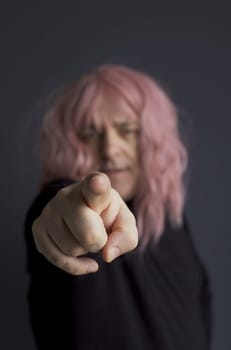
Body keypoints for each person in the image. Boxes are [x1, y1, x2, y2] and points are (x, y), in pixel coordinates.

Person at [25, 64, 212, 350]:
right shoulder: (65, 207)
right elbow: (60, 206)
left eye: (127, 131)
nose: (110, 149)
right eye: (91, 134)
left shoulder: (172, 221)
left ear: (152, 139)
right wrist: (69, 208)